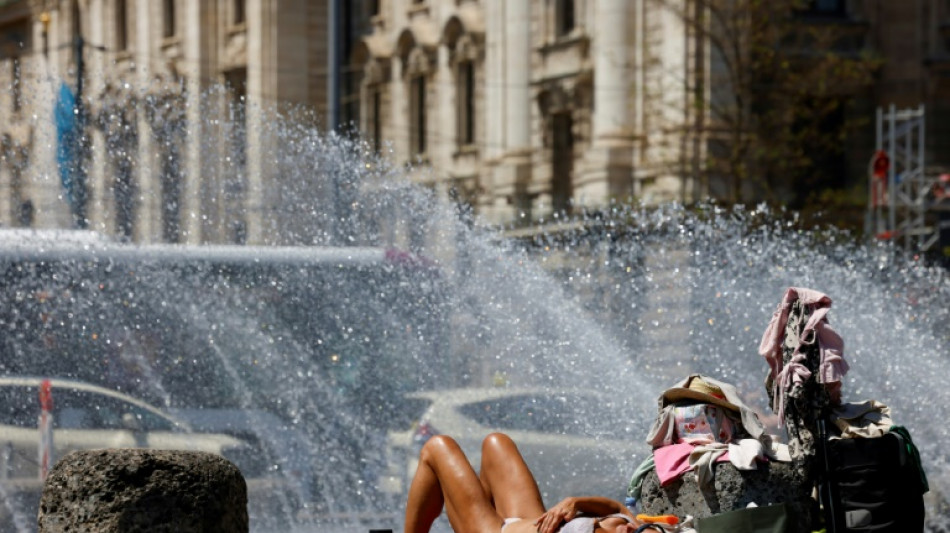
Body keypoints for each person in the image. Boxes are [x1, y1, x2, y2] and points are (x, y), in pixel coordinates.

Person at [404, 432, 645, 533]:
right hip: (526, 519)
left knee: (436, 447)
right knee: (496, 442)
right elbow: (619, 509)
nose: (630, 529)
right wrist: (575, 501)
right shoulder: (644, 528)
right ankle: (476, 515)